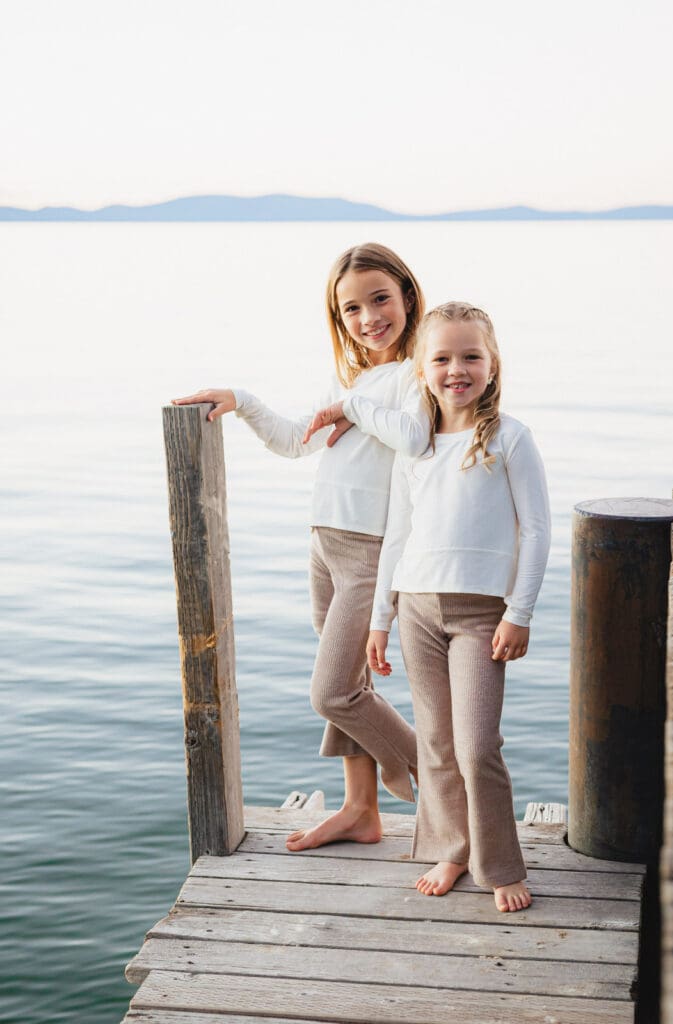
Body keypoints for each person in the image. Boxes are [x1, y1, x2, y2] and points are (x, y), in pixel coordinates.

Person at [173, 243, 430, 851]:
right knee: (352, 688)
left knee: (334, 693)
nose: (368, 317)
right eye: (351, 310)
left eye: (380, 299)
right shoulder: (362, 379)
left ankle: (432, 770)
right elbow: (294, 442)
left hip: (369, 553)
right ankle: (360, 810)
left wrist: (354, 408)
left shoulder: (416, 374)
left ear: (408, 298)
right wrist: (241, 401)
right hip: (325, 548)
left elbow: (415, 438)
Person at [366, 301, 550, 912]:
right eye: (441, 358)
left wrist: (518, 611)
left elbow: (536, 532)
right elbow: (397, 533)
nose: (456, 369)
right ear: (422, 369)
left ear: (492, 365)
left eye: (471, 356)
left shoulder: (508, 437)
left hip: (480, 615)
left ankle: (499, 863)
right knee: (438, 746)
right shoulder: (414, 446)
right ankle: (451, 847)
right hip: (417, 606)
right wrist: (380, 618)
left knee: (477, 746)